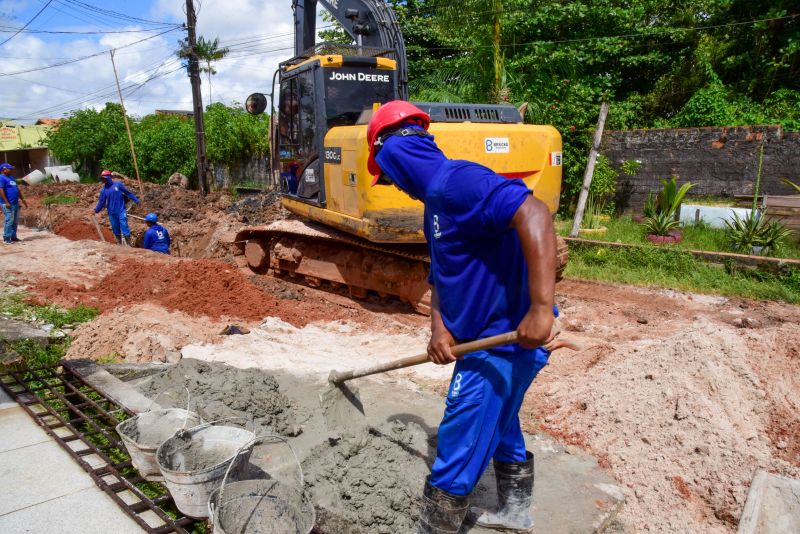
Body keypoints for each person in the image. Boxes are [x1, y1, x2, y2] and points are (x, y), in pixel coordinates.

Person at [366, 101, 560, 534]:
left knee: (460, 434)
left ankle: (435, 528)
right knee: (503, 419)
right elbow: (443, 274)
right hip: (490, 337)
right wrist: (439, 328)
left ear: (394, 155)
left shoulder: (457, 183)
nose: (394, 186)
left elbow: (535, 213)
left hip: (504, 339)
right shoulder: (435, 202)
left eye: (389, 175)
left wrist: (541, 309)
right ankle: (514, 511)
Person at [93, 170, 139, 246]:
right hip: (111, 213)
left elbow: (127, 193)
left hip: (121, 210)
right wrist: (96, 210)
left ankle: (129, 244)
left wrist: (136, 200)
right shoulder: (104, 190)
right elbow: (101, 202)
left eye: (105, 178)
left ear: (109, 177)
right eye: (103, 179)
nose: (104, 180)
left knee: (124, 225)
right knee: (115, 229)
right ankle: (120, 244)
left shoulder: (118, 185)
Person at [0, 163, 28, 244]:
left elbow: (17, 189)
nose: (11, 170)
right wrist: (6, 202)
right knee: (9, 220)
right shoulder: (1, 178)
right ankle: (6, 238)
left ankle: (13, 237)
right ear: (4, 170)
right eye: (9, 168)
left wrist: (22, 199)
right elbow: (1, 190)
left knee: (15, 221)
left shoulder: (11, 178)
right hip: (7, 204)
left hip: (15, 203)